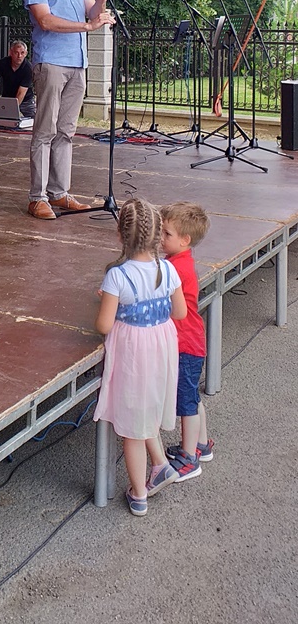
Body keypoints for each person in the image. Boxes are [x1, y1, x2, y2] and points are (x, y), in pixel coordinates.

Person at [94, 198, 187, 516]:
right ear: (158, 236)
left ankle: (139, 493)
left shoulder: (117, 276)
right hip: (161, 346)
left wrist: (110, 301)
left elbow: (104, 325)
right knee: (146, 409)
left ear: (120, 235)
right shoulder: (168, 269)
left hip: (134, 352)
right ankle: (160, 465)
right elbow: (180, 312)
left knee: (132, 426)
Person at [22, 0, 112, 220]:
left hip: (78, 62)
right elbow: (45, 21)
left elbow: (93, 11)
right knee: (45, 131)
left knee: (66, 132)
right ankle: (37, 198)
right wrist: (87, 26)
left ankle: (59, 192)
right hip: (51, 62)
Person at [160, 201, 214, 480]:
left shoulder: (175, 269)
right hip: (191, 341)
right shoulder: (179, 261)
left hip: (185, 345)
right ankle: (201, 445)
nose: (160, 237)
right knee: (191, 397)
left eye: (166, 233)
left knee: (186, 403)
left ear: (185, 239)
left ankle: (189, 457)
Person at [0, 40, 35, 118]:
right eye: (16, 53)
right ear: (11, 52)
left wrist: (12, 110)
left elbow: (21, 92)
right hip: (7, 98)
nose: (19, 56)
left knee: (34, 120)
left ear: (26, 54)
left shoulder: (28, 68)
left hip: (25, 100)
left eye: (22, 53)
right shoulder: (3, 63)